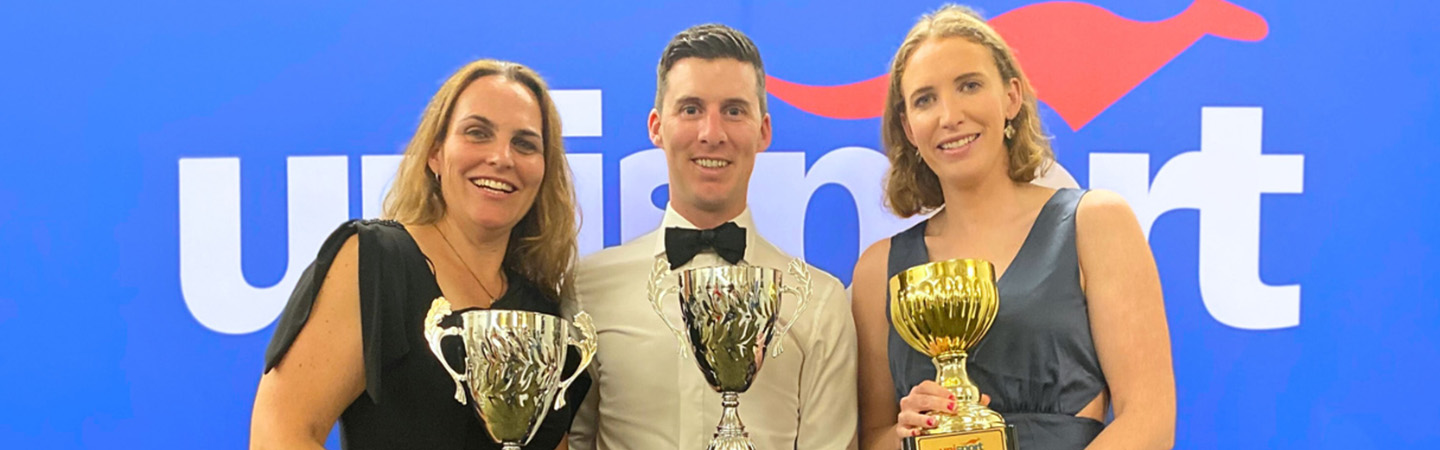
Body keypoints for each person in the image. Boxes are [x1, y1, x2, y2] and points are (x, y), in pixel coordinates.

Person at [851, 5, 1177, 450]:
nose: (949, 115)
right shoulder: (879, 271)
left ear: (1011, 97)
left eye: (969, 85)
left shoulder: (1095, 223)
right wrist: (906, 431)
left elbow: (1150, 419)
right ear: (909, 128)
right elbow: (871, 438)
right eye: (925, 99)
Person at [251, 59, 587, 450]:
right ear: (435, 153)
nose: (501, 158)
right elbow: (280, 433)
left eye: (525, 144)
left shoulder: (542, 314)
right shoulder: (376, 263)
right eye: (478, 133)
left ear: (544, 170)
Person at [567, 23, 858, 450]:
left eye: (734, 111)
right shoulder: (588, 290)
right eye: (690, 109)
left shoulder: (818, 302)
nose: (712, 133)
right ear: (656, 127)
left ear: (763, 131)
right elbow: (574, 441)